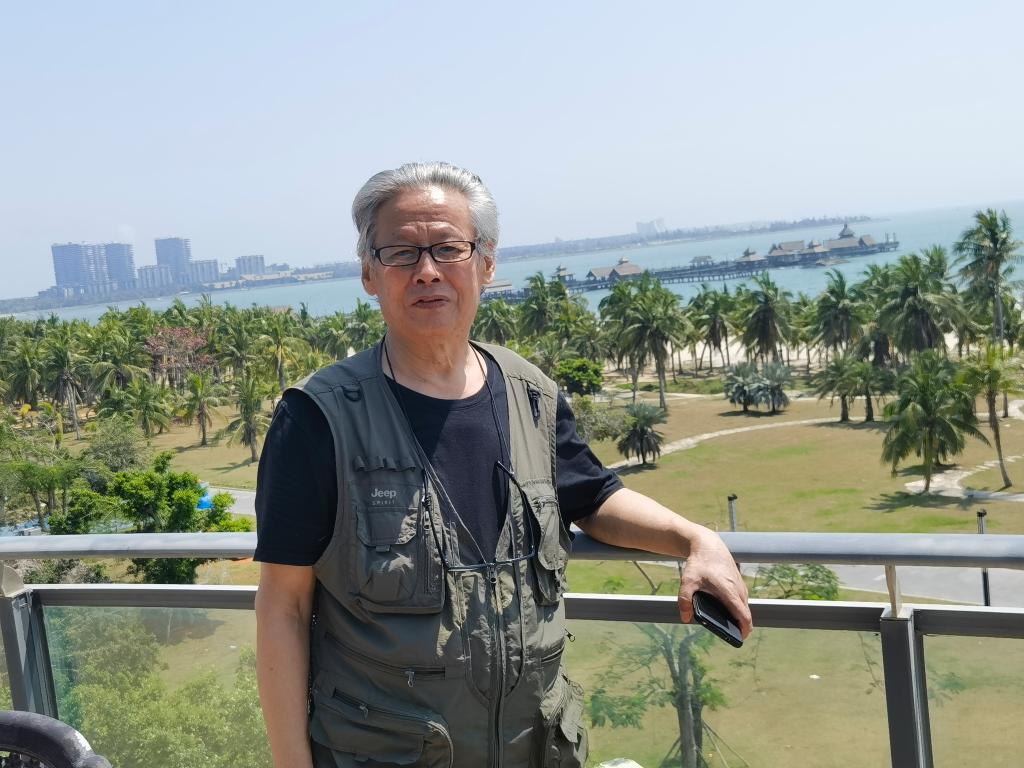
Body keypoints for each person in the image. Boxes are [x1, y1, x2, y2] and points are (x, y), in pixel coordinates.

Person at [254, 161, 752, 768]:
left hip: (537, 747)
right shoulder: (319, 417)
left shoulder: (529, 394)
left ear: (486, 264)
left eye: (448, 248)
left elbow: (593, 496)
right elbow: (283, 606)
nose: (427, 270)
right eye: (401, 253)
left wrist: (696, 539)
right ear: (368, 274)